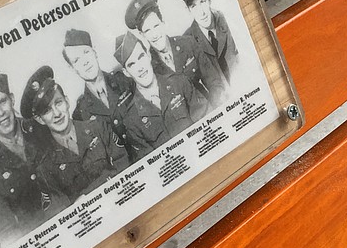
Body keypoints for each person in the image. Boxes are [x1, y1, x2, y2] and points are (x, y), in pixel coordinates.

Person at [0, 67, 68, 244]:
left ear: (12, 99)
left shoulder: (44, 127)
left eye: (2, 102)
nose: (0, 113)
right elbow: (7, 233)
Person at [20, 65, 128, 201]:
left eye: (58, 103)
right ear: (40, 120)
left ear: (67, 101)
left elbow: (124, 164)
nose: (57, 114)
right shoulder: (45, 166)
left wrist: (87, 195)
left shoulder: (98, 127)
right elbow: (61, 208)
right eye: (47, 111)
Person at [125, 0, 226, 108]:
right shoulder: (149, 66)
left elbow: (214, 82)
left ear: (163, 23)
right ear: (142, 35)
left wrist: (217, 109)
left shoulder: (188, 43)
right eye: (147, 30)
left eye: (156, 26)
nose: (155, 35)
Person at [114, 30, 207, 156]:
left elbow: (206, 120)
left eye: (141, 57)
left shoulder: (179, 82)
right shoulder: (132, 120)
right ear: (126, 72)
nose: (140, 67)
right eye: (132, 64)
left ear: (148, 55)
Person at [60, 28, 142, 164]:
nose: (85, 62)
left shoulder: (125, 81)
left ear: (94, 51)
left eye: (86, 52)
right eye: (76, 60)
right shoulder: (80, 115)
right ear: (72, 68)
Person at [172, 0, 236, 83]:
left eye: (202, 2)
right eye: (194, 6)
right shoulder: (187, 43)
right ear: (188, 10)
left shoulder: (227, 18)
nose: (201, 12)